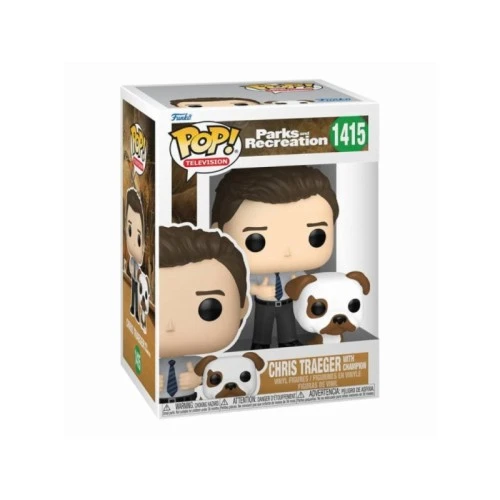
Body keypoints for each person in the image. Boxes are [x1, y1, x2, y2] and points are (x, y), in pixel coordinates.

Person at [212, 166, 339, 349]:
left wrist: (302, 286)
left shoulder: (296, 271)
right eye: (256, 240)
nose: (287, 251)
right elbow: (244, 286)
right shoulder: (253, 273)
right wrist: (258, 290)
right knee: (262, 325)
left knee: (287, 323)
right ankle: (260, 343)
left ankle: (288, 340)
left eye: (316, 236)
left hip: (287, 302)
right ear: (218, 232)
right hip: (264, 304)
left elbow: (306, 283)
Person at [158, 225, 249, 403]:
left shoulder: (201, 363)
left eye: (209, 308)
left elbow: (213, 377)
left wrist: (198, 379)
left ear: (242, 308)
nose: (171, 326)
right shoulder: (149, 361)